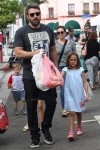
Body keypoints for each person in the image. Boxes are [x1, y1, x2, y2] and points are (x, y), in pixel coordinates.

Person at [14, 3, 58, 148]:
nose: (35, 17)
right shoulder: (21, 32)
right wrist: (35, 53)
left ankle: (45, 127)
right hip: (30, 76)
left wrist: (55, 70)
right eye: (32, 14)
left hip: (47, 75)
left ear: (40, 14)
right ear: (28, 16)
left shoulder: (48, 30)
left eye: (37, 14)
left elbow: (53, 50)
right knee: (32, 105)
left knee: (51, 102)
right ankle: (35, 135)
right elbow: (18, 52)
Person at [61, 51, 89, 141]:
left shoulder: (81, 70)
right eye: (71, 59)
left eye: (75, 60)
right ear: (68, 60)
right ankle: (71, 131)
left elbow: (84, 82)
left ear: (77, 61)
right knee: (72, 112)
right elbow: (59, 78)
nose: (73, 61)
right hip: (69, 95)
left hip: (79, 95)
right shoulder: (65, 70)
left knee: (78, 112)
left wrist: (87, 94)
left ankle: (79, 126)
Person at [56, 25, 76, 117]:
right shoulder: (55, 44)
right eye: (58, 32)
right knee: (63, 89)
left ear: (65, 33)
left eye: (62, 32)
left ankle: (72, 106)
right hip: (60, 68)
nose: (60, 34)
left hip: (70, 68)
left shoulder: (71, 43)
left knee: (71, 88)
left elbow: (75, 56)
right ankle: (65, 108)